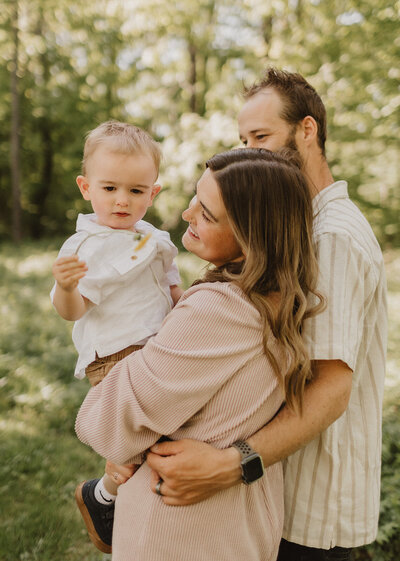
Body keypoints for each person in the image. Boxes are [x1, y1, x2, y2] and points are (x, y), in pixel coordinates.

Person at [143, 68, 388, 561]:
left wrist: (232, 465)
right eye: (243, 139)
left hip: (310, 506)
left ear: (307, 130)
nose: (251, 152)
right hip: (275, 492)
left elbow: (332, 386)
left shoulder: (330, 237)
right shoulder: (301, 225)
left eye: (261, 137)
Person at [75, 147, 324, 561]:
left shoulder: (217, 310)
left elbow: (104, 424)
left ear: (250, 241)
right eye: (196, 197)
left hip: (178, 532)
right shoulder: (286, 302)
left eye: (207, 214)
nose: (188, 215)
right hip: (242, 525)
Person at [51, 120, 182, 553]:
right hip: (113, 356)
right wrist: (66, 288)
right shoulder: (83, 247)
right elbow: (73, 311)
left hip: (158, 347)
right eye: (109, 189)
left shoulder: (158, 239)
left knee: (166, 434)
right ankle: (103, 494)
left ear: (153, 192)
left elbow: (174, 292)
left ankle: (129, 500)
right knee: (142, 442)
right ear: (86, 187)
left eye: (136, 191)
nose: (122, 201)